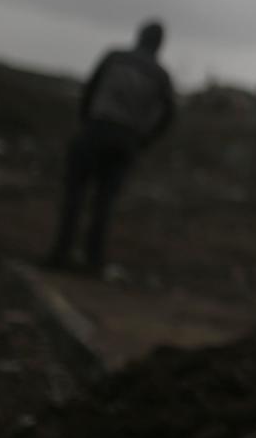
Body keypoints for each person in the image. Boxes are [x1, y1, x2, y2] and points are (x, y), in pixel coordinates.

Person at [44, 20, 176, 273]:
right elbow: (169, 113)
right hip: (126, 140)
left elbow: (90, 89)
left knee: (74, 196)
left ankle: (61, 254)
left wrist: (86, 122)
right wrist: (144, 139)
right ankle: (93, 261)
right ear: (160, 45)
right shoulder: (161, 75)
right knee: (104, 203)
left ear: (139, 37)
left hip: (96, 129)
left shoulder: (115, 57)